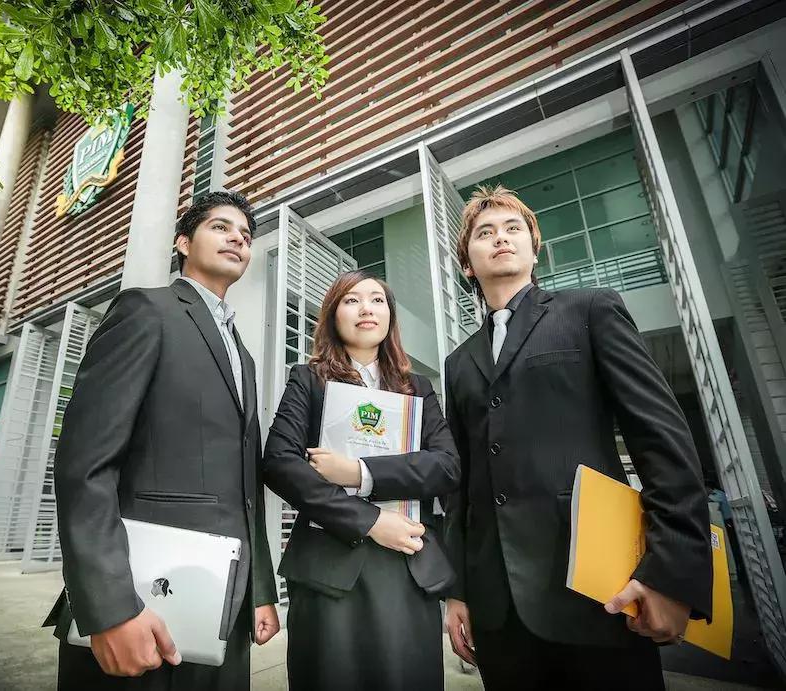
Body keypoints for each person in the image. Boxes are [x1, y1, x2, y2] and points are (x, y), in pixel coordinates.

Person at [442, 184, 713, 690]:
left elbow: (661, 439)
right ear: (467, 263)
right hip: (497, 610)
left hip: (594, 590)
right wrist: (457, 591)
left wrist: (671, 572)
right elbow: (460, 488)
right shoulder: (458, 363)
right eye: (484, 232)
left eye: (512, 228)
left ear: (533, 248)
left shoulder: (589, 310)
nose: (500, 237)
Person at [44, 191, 279, 689]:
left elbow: (245, 487)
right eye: (221, 226)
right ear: (183, 242)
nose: (238, 237)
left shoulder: (243, 356)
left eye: (246, 233)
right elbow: (84, 465)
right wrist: (109, 607)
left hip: (222, 602)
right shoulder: (145, 311)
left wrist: (260, 590)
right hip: (142, 599)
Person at [264, 269, 460, 690]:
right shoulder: (309, 379)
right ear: (334, 316)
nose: (366, 308)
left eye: (377, 299)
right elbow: (280, 462)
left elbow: (446, 465)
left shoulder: (417, 389)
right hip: (331, 566)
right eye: (351, 300)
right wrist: (369, 520)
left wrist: (360, 473)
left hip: (407, 564)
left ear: (390, 316)